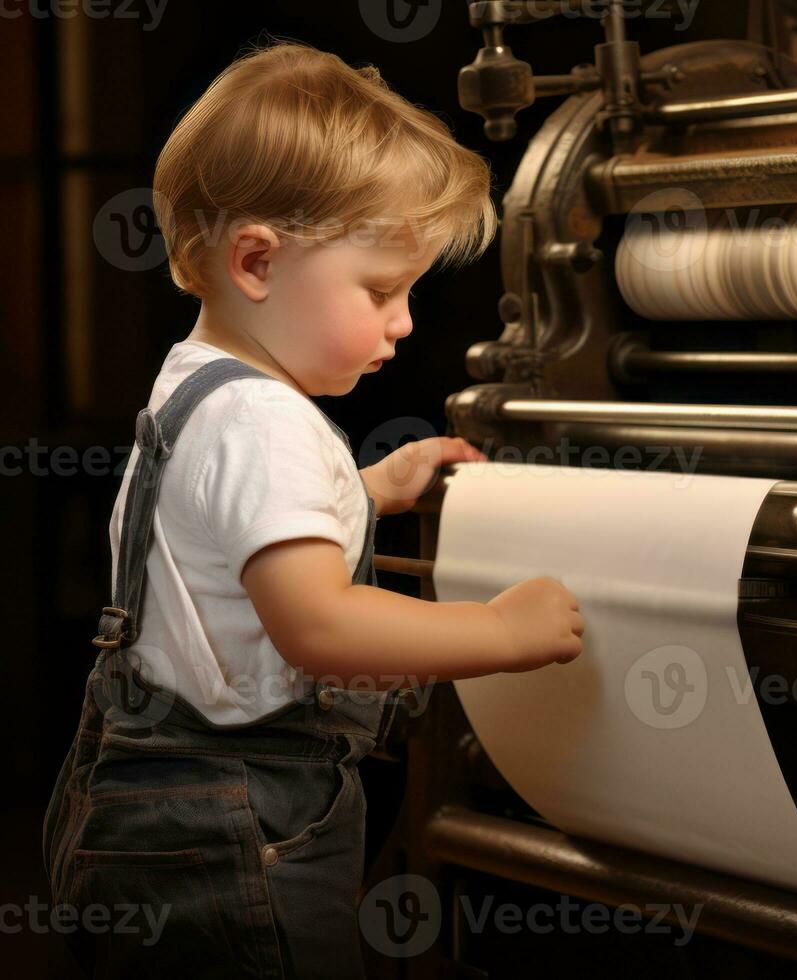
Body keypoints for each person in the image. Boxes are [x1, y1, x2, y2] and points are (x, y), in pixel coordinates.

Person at [41, 38, 585, 979]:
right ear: (255, 259)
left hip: (131, 802)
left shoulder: (196, 386)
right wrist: (498, 630)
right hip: (237, 828)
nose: (404, 322)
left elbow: (228, 542)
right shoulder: (268, 423)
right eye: (380, 289)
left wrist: (364, 491)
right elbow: (319, 625)